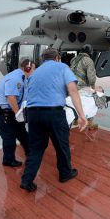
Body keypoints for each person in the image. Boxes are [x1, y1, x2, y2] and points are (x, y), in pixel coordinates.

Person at [20, 48, 88, 192]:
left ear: (43, 59)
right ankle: (65, 173)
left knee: (36, 148)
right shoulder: (63, 67)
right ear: (57, 58)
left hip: (33, 113)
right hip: (53, 113)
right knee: (61, 144)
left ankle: (27, 180)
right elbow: (73, 90)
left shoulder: (35, 72)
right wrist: (82, 116)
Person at [0, 58, 35, 167]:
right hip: (3, 112)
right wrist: (17, 113)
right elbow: (11, 97)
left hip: (11, 110)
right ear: (28, 68)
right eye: (33, 68)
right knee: (9, 137)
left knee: (22, 132)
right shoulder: (15, 78)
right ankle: (8, 160)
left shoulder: (24, 78)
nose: (35, 71)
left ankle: (31, 152)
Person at [70, 44, 98, 129]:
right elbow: (91, 77)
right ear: (90, 52)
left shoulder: (73, 59)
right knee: (91, 102)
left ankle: (75, 119)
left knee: (73, 103)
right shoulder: (88, 60)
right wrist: (93, 88)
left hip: (71, 86)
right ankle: (90, 122)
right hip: (81, 87)